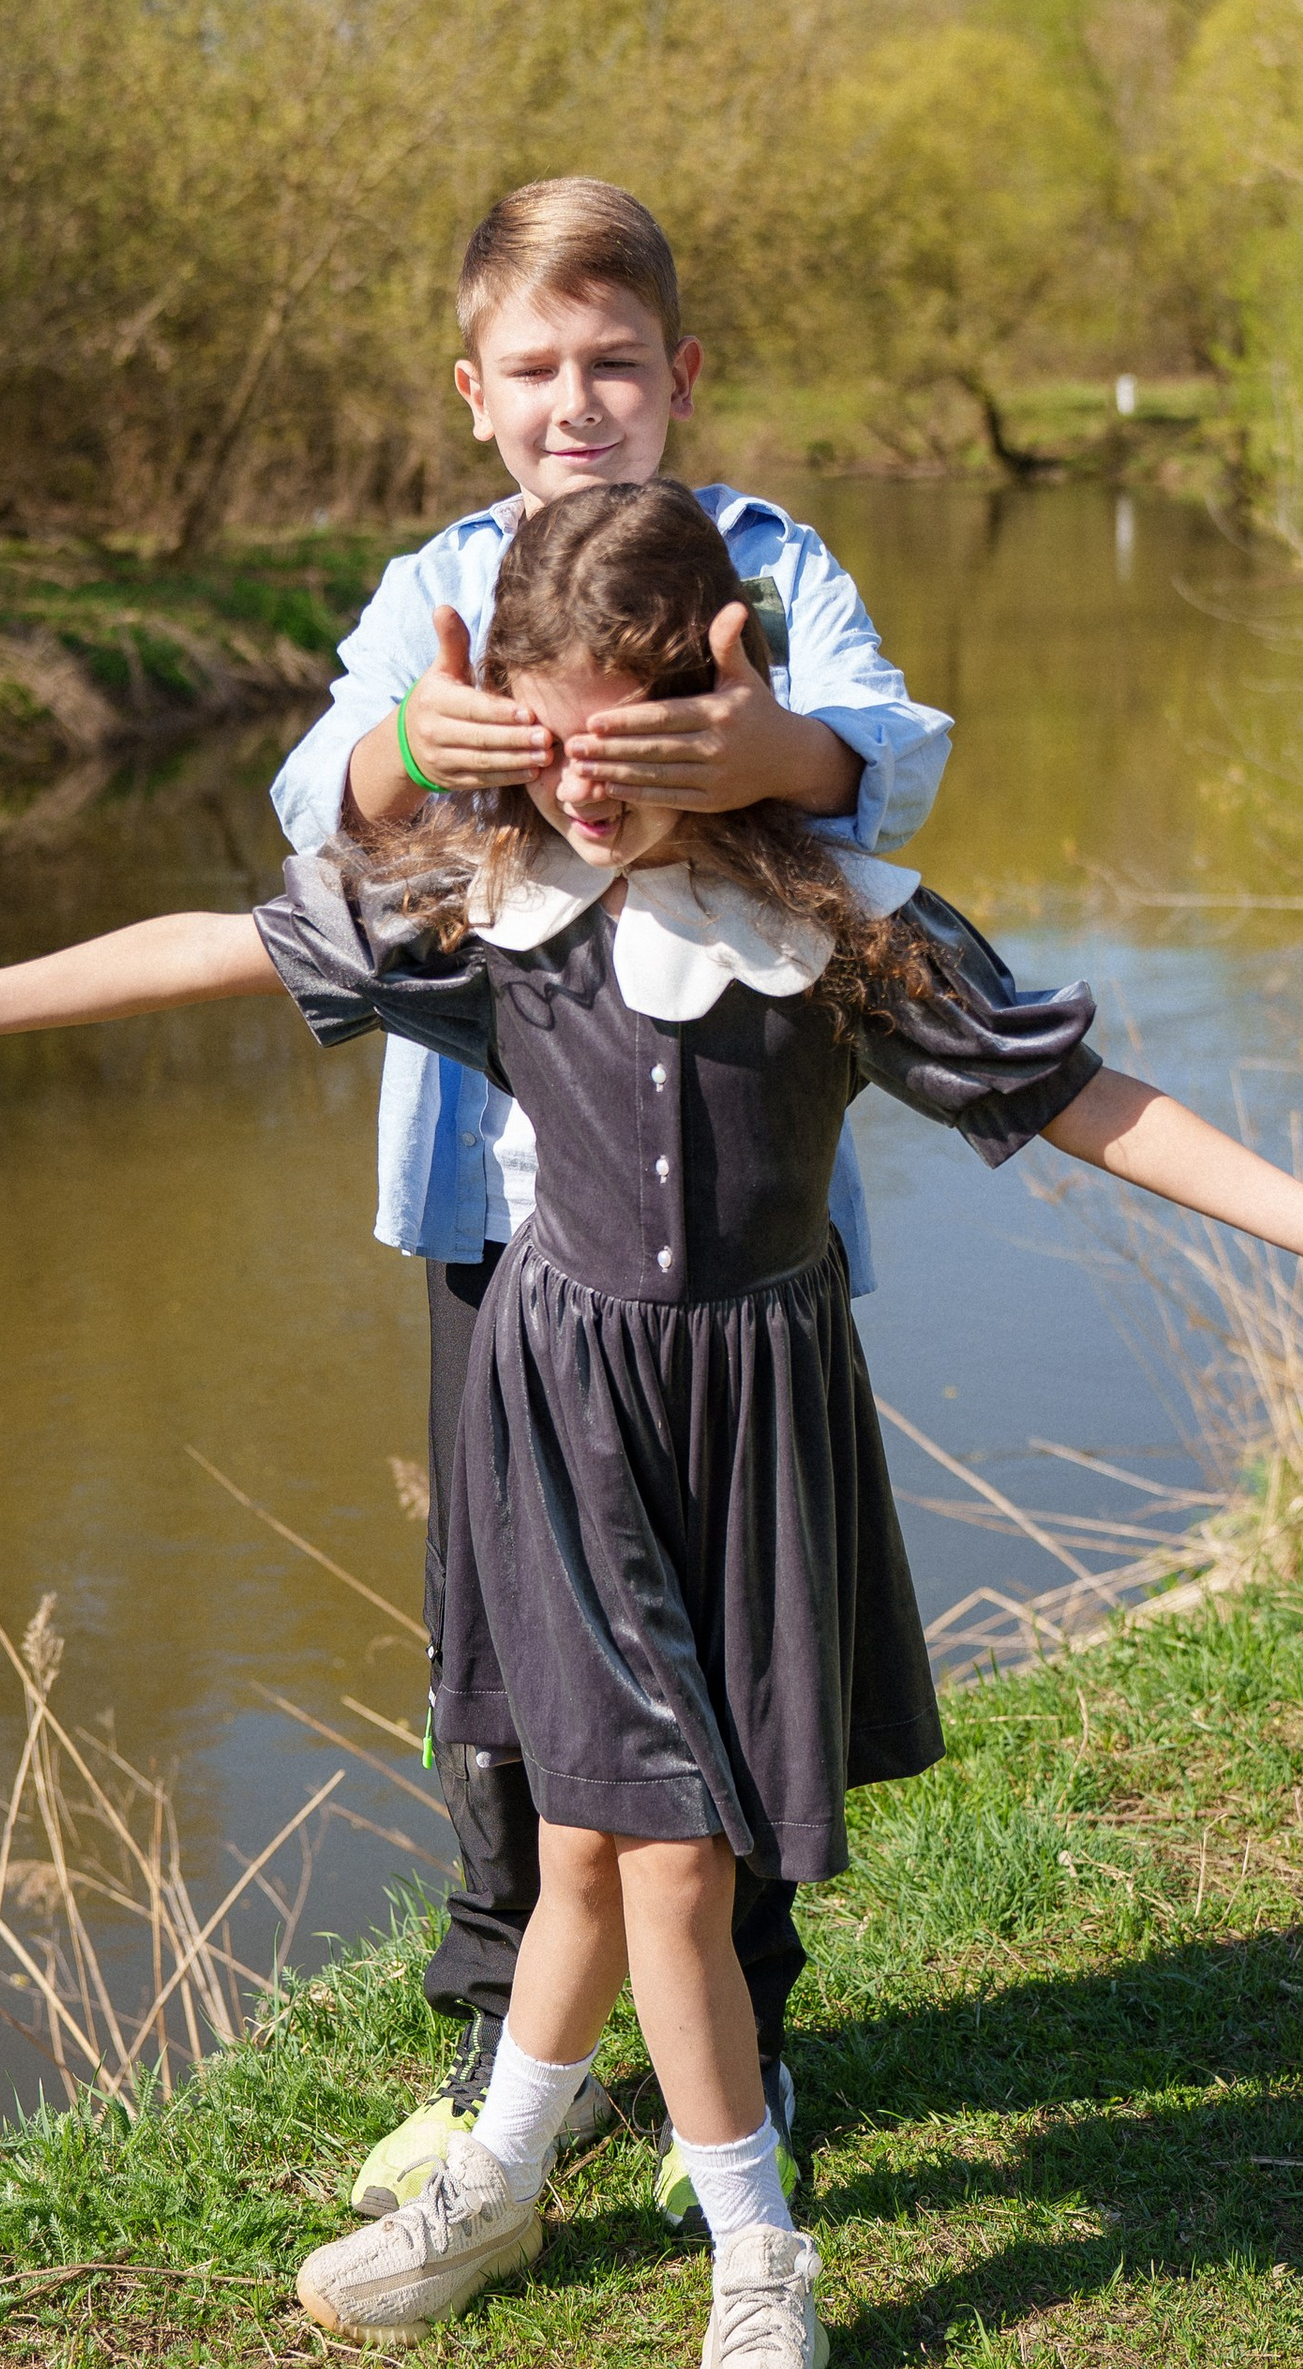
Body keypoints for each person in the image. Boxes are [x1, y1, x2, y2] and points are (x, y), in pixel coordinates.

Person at [0, 480, 1303, 2369]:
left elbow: (1075, 1097)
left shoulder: (831, 933)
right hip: (560, 1415)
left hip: (755, 1415)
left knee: (626, 1855)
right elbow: (218, 940)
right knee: (651, 1856)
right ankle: (746, 2261)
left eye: (617, 739)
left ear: (717, 691)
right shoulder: (480, 900)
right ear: (485, 705)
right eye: (537, 738)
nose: (579, 788)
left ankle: (522, 2182)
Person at [270, 176, 951, 2236]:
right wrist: (413, 739)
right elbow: (315, 814)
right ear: (475, 393)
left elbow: (890, 762)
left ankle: (730, 2031)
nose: (581, 404)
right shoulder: (436, 585)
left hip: (729, 1232)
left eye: (616, 365)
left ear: (680, 379)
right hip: (496, 1219)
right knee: (513, 1646)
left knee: (729, 1638)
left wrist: (771, 745)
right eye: (538, 370)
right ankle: (507, 2045)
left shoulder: (765, 561)